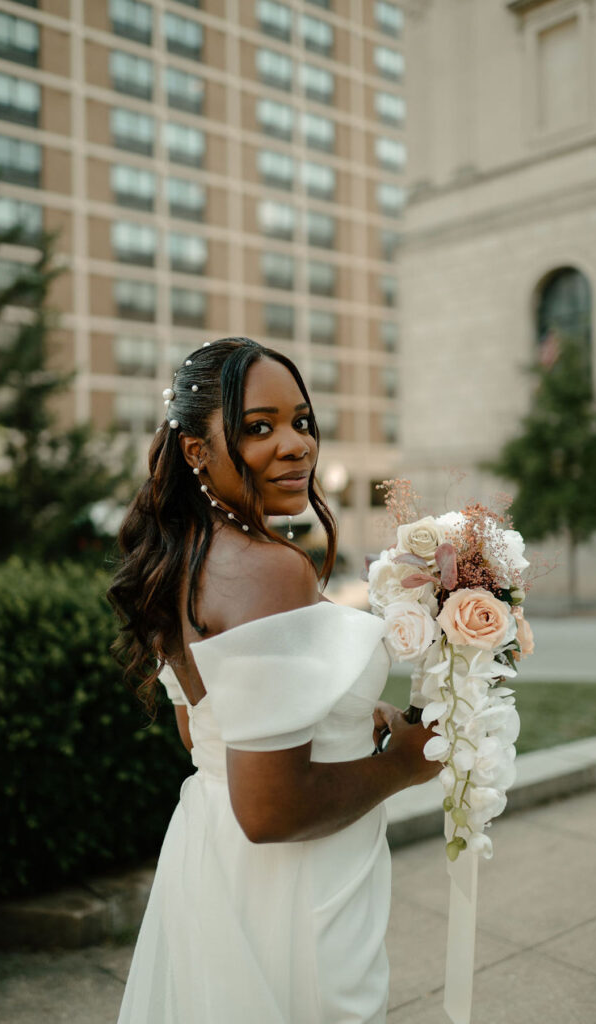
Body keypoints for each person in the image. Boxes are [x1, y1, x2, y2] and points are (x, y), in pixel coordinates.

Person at [109, 337, 440, 1023]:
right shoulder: (268, 568)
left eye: (300, 421)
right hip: (292, 888)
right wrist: (404, 765)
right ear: (196, 451)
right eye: (258, 427)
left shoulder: (185, 556)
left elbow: (205, 730)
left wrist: (347, 715)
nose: (295, 445)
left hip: (212, 864)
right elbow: (269, 812)